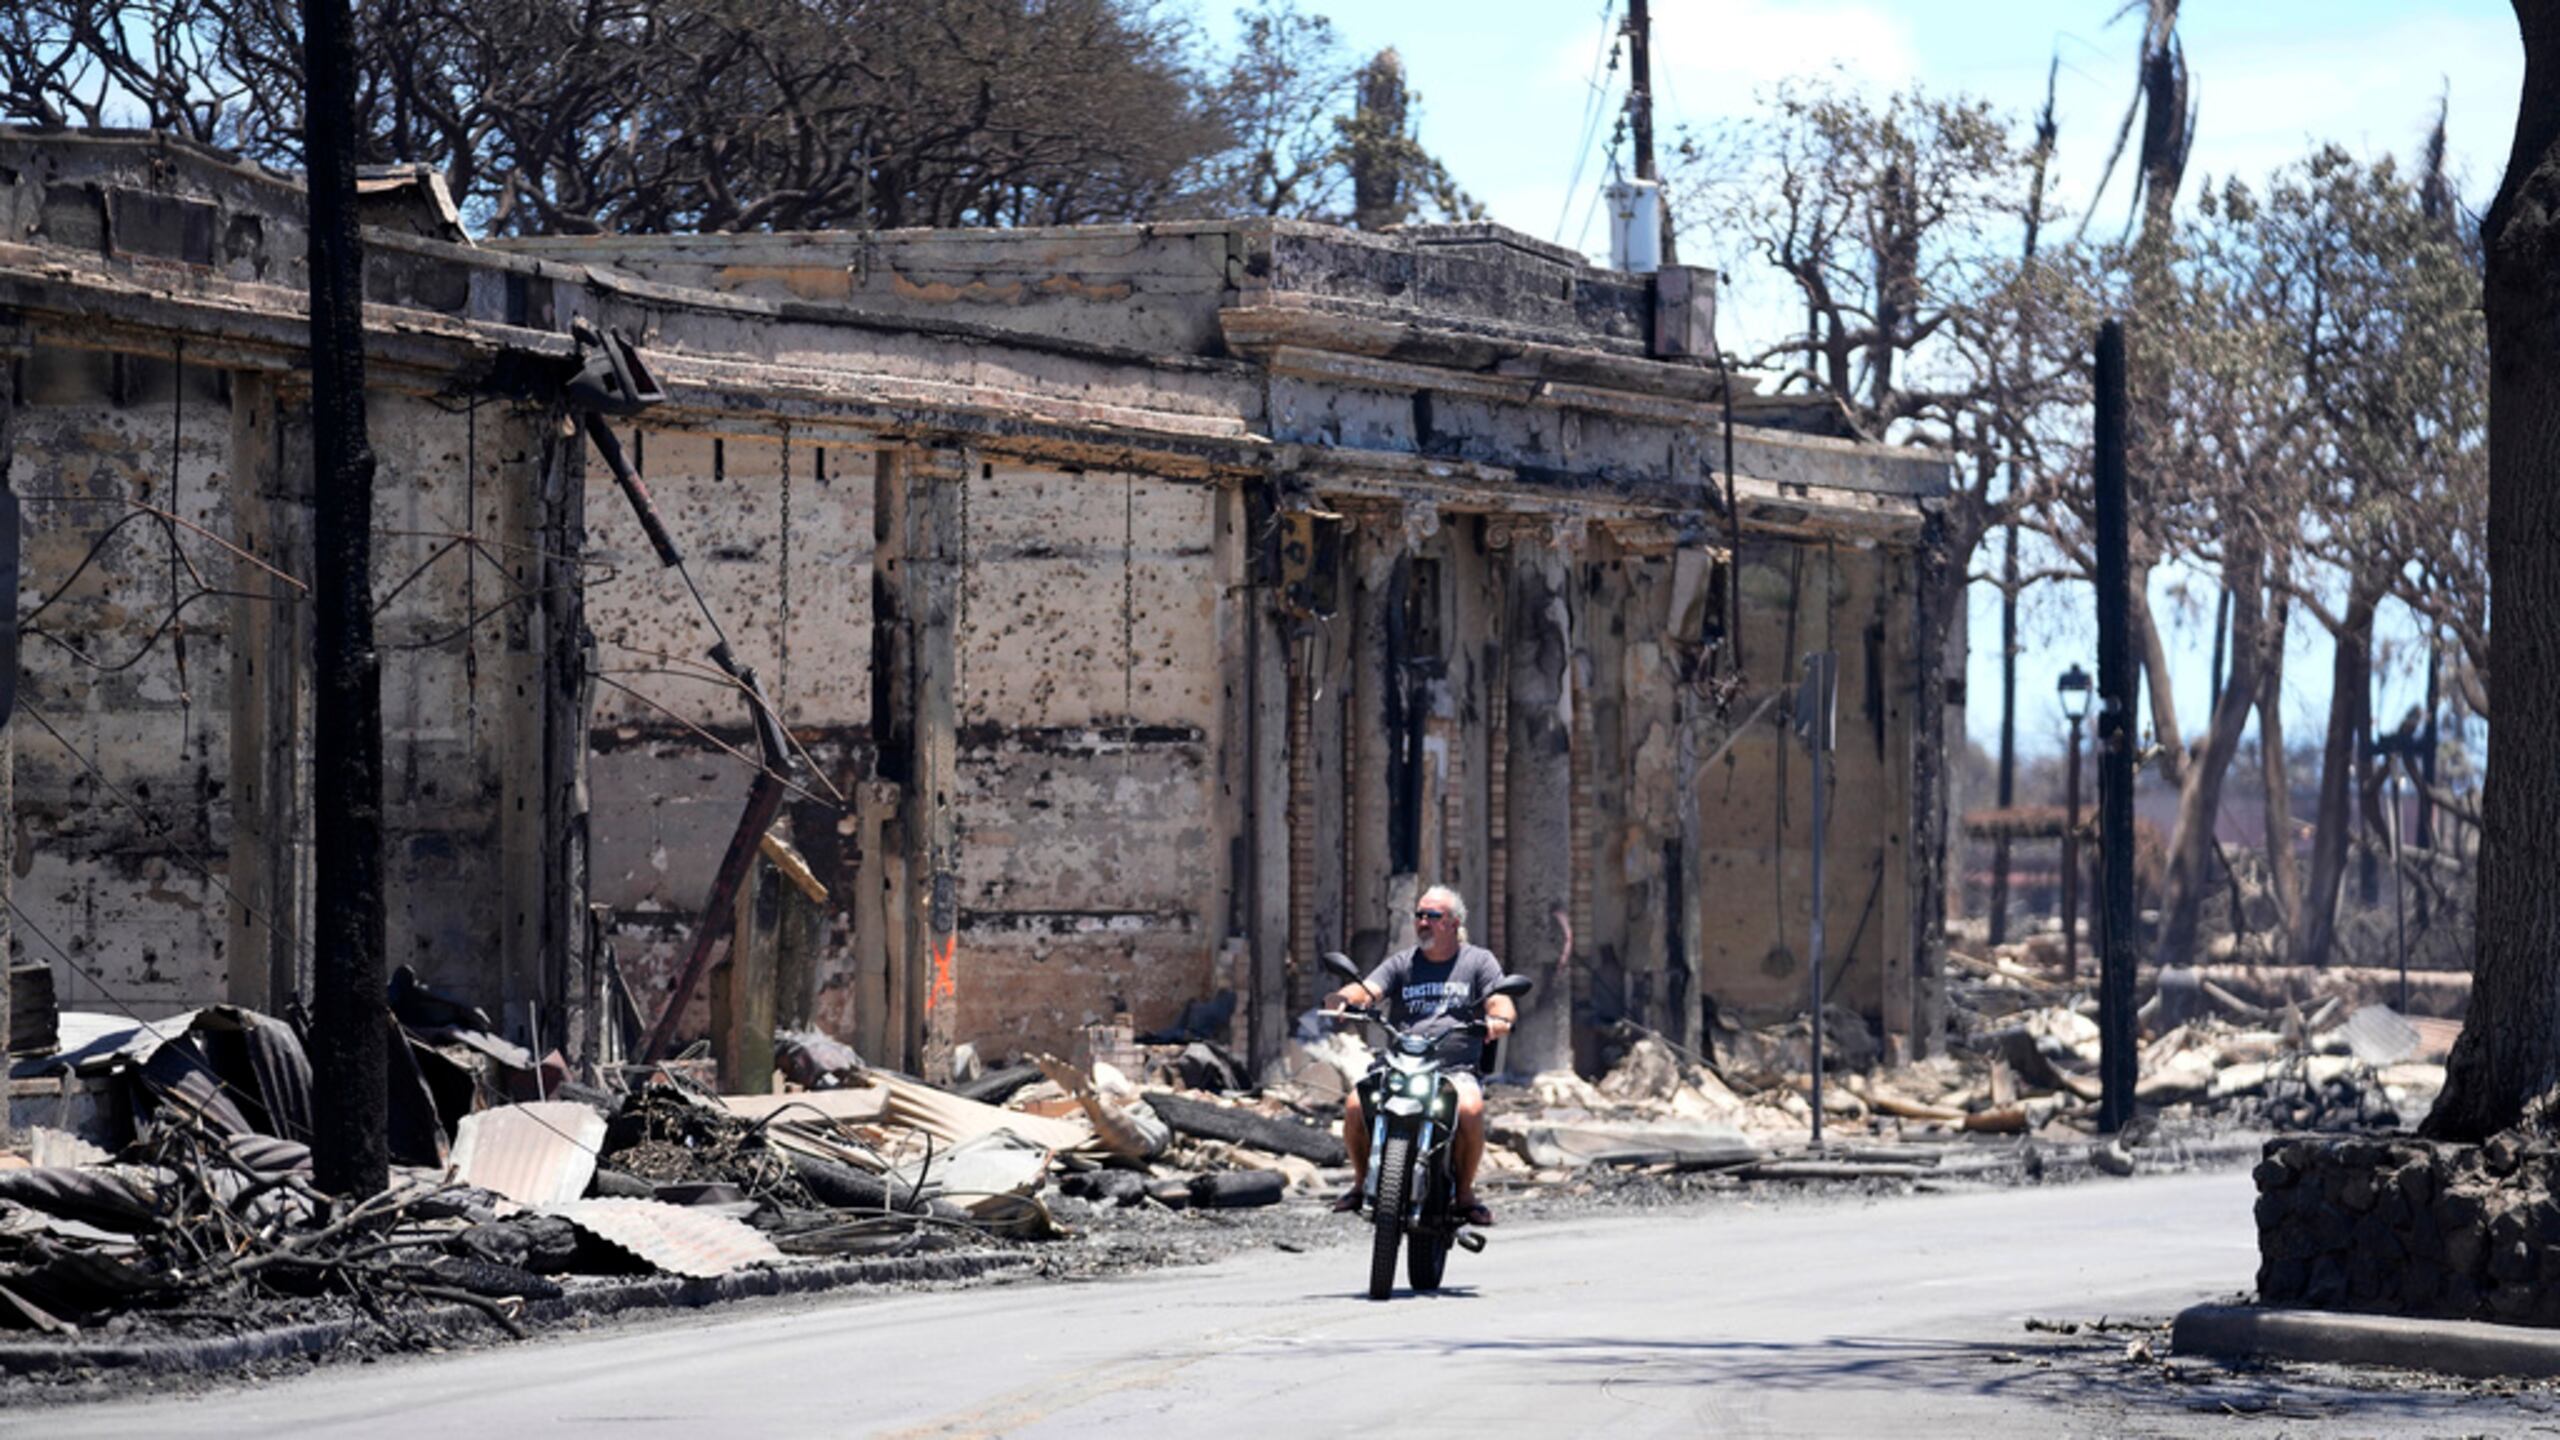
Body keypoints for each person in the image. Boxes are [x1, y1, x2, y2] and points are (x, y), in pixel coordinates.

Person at [1323, 884, 1514, 1228]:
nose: (1423, 922)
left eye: (1433, 916)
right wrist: (1343, 998)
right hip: (1400, 1063)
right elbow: (1368, 990)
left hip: (1453, 1068)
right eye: (1419, 915)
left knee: (1470, 1109)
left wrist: (1499, 1019)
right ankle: (1361, 1182)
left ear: (1453, 922)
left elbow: (1499, 999)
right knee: (1355, 1104)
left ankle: (1466, 1194)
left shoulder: (1478, 962)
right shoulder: (1403, 962)